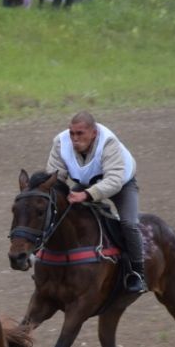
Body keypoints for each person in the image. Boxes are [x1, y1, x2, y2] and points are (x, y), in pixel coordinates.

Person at [45, 111, 148, 293]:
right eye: (72, 133)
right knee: (60, 214)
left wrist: (87, 195)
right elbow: (55, 178)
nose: (74, 139)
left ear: (94, 133)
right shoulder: (60, 143)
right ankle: (48, 259)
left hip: (122, 185)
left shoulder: (108, 142)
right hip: (86, 184)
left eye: (80, 133)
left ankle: (137, 273)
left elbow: (114, 180)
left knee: (129, 223)